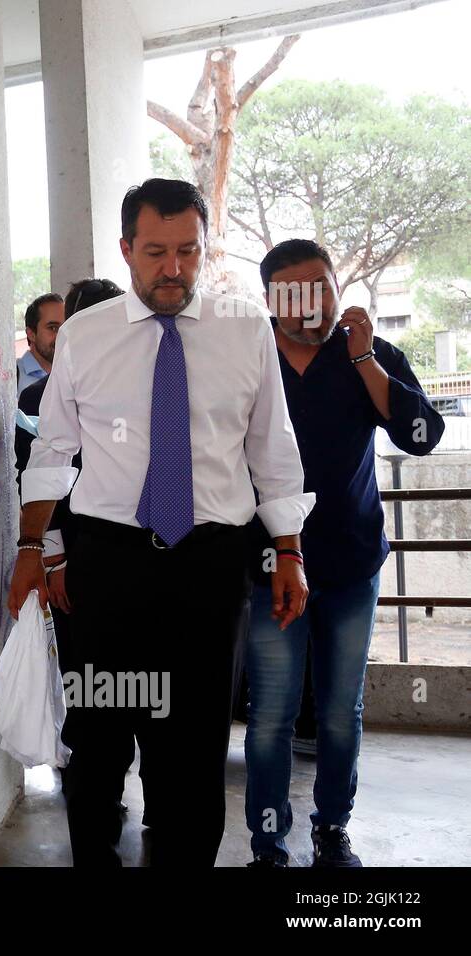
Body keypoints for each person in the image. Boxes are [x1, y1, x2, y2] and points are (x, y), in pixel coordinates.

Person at [8, 178, 314, 867]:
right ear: (126, 250)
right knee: (98, 737)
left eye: (187, 251)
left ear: (206, 250)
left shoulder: (245, 333)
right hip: (108, 566)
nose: (172, 268)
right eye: (154, 252)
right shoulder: (85, 335)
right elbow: (53, 448)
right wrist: (35, 546)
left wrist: (288, 551)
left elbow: (272, 447)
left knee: (195, 746)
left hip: (209, 567)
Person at [244, 239, 445, 868]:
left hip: (352, 562)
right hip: (270, 564)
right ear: (272, 299)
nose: (315, 304)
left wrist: (364, 360)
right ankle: (268, 844)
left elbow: (421, 436)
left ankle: (332, 829)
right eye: (297, 291)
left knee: (339, 711)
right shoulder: (247, 359)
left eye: (324, 286)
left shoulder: (368, 353)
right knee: (271, 713)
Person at [13, 278, 136, 823]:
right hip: (78, 560)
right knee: (91, 693)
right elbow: (40, 479)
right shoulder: (36, 399)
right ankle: (96, 802)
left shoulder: (147, 387)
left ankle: (148, 795)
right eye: (65, 325)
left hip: (142, 560)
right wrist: (53, 558)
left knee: (150, 688)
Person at [17, 292, 64, 393]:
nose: (62, 336)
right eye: (53, 328)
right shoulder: (14, 377)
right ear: (31, 334)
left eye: (65, 328)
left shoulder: (72, 376)